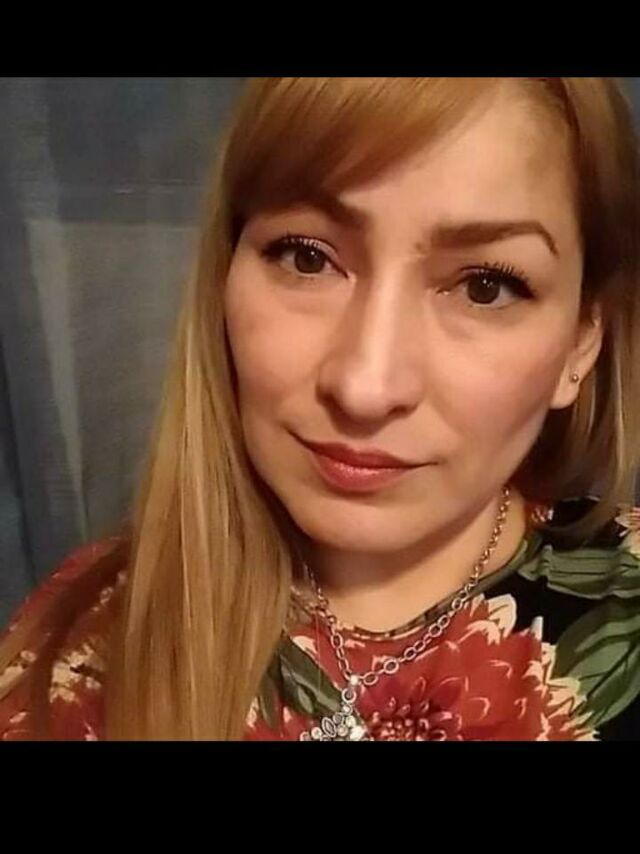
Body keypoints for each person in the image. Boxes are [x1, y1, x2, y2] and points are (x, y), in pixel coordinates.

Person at [1, 77, 640, 741]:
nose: (365, 387)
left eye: (485, 287)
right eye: (307, 258)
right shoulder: (78, 648)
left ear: (581, 340)